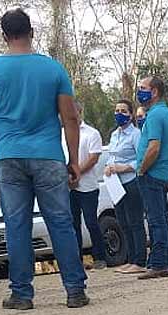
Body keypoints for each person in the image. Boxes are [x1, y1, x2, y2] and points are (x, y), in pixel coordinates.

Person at [0, 8, 88, 310]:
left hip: (9, 154)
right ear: (32, 32)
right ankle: (74, 289)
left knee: (16, 224)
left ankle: (22, 293)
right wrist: (73, 160)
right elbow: (70, 117)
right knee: (60, 222)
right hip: (48, 154)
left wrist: (4, 114)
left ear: (5, 35)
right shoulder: (53, 69)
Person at [134, 76, 168, 280]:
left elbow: (154, 146)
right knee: (162, 219)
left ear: (154, 92)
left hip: (152, 174)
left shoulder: (155, 115)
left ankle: (158, 263)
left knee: (155, 220)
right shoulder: (165, 113)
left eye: (142, 88)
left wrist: (142, 169)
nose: (139, 91)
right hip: (163, 174)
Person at [104, 99, 146, 274]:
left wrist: (126, 167)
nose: (119, 114)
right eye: (117, 110)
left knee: (135, 222)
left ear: (130, 115)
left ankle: (140, 260)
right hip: (116, 185)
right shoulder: (115, 135)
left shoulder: (136, 134)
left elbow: (142, 158)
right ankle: (130, 259)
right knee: (123, 222)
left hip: (131, 182)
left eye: (123, 111)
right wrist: (108, 166)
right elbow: (112, 155)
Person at [69, 101, 107, 270]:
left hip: (88, 187)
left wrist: (77, 173)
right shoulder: (61, 134)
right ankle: (76, 260)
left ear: (80, 111)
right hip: (68, 187)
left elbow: (93, 158)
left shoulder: (92, 133)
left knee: (91, 221)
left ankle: (100, 256)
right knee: (72, 224)